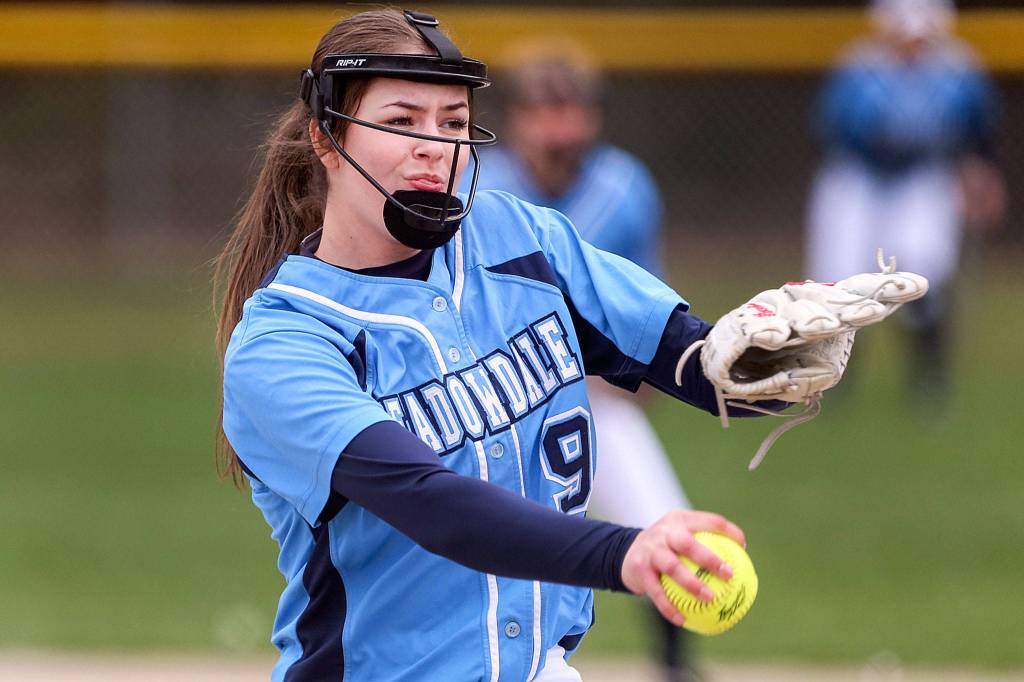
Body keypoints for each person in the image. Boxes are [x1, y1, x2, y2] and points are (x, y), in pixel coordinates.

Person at [215, 10, 769, 682]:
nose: (435, 145)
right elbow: (431, 501)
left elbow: (701, 365)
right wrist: (624, 552)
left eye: (452, 123)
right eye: (401, 120)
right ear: (327, 139)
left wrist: (787, 357)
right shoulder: (287, 340)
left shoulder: (517, 239)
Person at [469, 46, 699, 682]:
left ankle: (677, 669)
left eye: (570, 109)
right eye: (543, 110)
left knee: (662, 522)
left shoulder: (624, 187)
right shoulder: (477, 186)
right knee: (480, 536)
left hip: (598, 393)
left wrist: (639, 376)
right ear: (515, 119)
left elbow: (647, 299)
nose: (558, 128)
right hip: (491, 396)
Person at [806, 0, 1005, 401]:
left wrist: (980, 177)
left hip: (923, 176)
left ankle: (929, 378)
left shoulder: (959, 69)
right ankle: (836, 380)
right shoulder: (859, 67)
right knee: (842, 277)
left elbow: (980, 135)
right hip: (858, 176)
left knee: (922, 269)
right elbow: (829, 132)